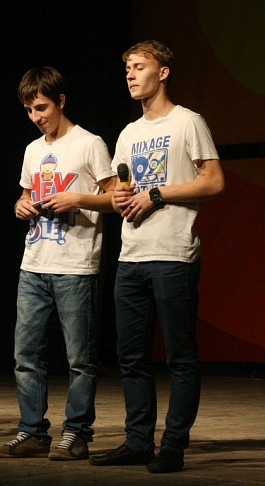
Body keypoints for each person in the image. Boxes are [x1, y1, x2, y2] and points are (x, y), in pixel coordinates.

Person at [89, 40, 225, 473]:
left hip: (173, 254)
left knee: (180, 357)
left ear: (163, 72)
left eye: (139, 66)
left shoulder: (188, 122)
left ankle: (174, 446)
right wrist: (120, 196)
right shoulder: (129, 133)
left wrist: (157, 194)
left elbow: (214, 181)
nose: (130, 74)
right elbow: (119, 192)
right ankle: (137, 441)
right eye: (127, 67)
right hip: (132, 256)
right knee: (130, 357)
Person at [0, 67, 116, 461]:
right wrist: (20, 205)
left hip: (75, 265)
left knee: (79, 359)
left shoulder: (89, 144)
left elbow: (116, 198)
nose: (36, 116)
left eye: (41, 108)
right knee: (26, 355)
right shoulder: (33, 150)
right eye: (29, 110)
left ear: (61, 101)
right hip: (34, 263)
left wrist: (76, 198)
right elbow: (25, 195)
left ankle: (76, 433)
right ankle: (32, 431)